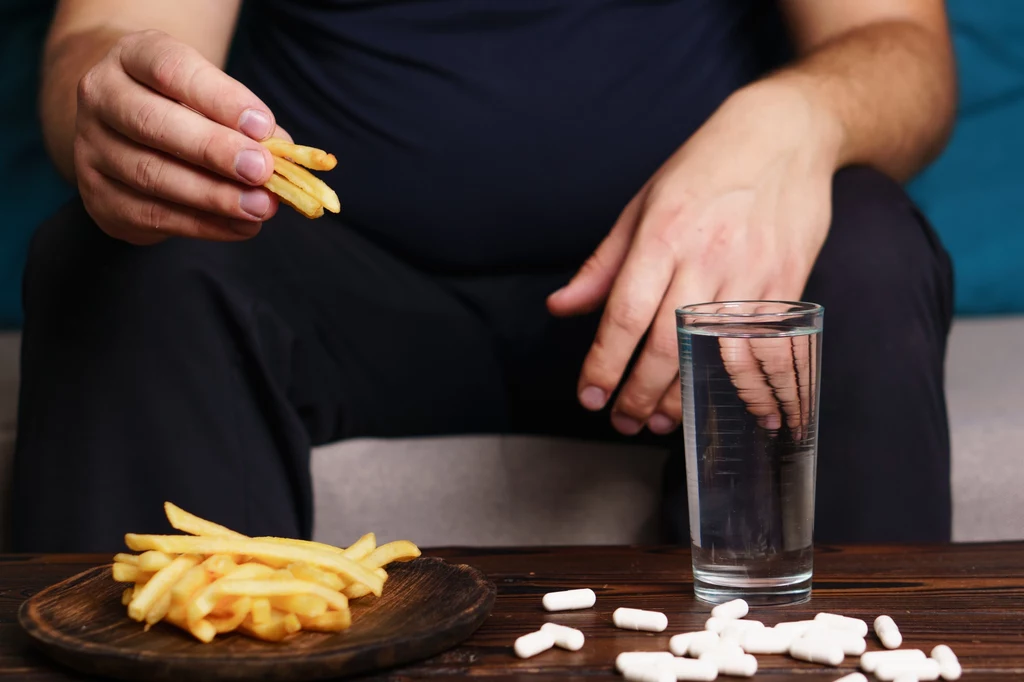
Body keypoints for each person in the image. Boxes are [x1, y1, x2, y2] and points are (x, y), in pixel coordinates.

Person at [12, 0, 956, 552]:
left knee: (861, 254)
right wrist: (115, 102)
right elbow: (111, 31)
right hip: (336, 287)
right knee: (120, 259)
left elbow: (898, 41)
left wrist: (795, 120)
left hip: (678, 296)